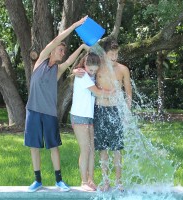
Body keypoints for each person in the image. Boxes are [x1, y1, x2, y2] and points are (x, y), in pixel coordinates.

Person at [24, 15, 89, 192]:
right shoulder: (41, 61)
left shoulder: (58, 70)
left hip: (50, 113)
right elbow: (58, 39)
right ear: (52, 50)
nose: (62, 52)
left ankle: (59, 180)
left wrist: (83, 47)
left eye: (63, 51)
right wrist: (76, 24)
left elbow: (69, 62)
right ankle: (37, 180)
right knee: (34, 146)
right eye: (60, 50)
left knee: (53, 146)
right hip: (33, 111)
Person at [73, 38, 132, 191]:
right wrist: (74, 71)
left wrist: (127, 113)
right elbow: (84, 70)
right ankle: (106, 181)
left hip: (115, 111)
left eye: (116, 54)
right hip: (99, 110)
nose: (114, 57)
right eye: (111, 54)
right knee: (102, 149)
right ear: (104, 55)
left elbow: (128, 93)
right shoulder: (97, 67)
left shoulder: (123, 69)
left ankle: (119, 181)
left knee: (117, 149)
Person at [70, 52, 113, 191]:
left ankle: (91, 180)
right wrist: (113, 92)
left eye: (95, 70)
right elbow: (97, 92)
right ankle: (83, 182)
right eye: (90, 69)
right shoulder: (83, 76)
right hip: (79, 116)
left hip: (89, 117)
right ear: (85, 65)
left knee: (91, 149)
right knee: (85, 150)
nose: (93, 72)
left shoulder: (89, 75)